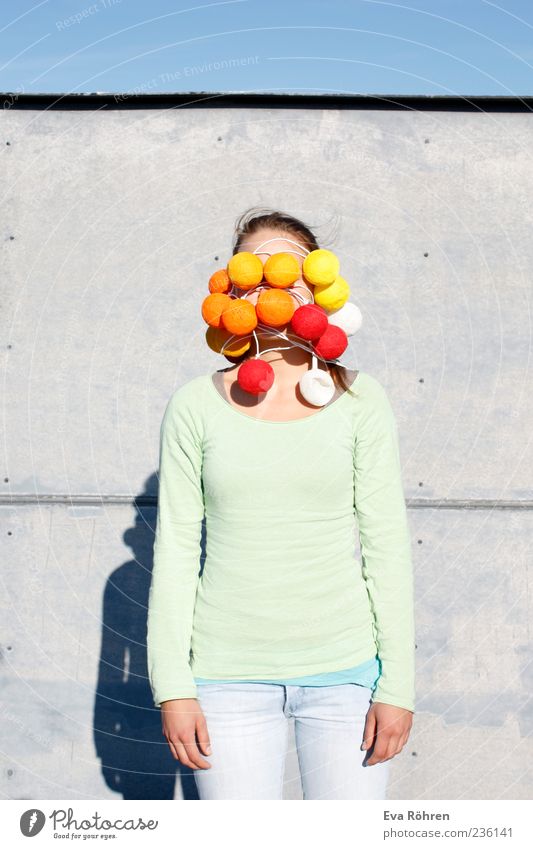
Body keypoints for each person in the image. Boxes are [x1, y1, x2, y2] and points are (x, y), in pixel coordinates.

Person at [146, 208, 415, 800]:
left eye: (288, 265)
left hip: (346, 680)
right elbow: (174, 551)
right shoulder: (194, 405)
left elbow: (387, 547)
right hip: (223, 681)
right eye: (255, 266)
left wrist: (398, 685)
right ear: (233, 288)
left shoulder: (361, 400)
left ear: (318, 283)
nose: (272, 279)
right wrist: (174, 686)